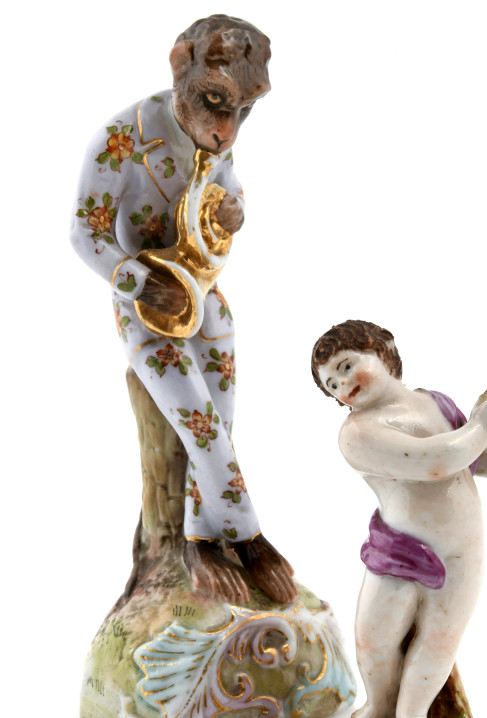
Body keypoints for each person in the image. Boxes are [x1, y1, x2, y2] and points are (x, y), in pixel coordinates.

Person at [71, 15, 295, 604]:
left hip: (204, 293)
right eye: (215, 102)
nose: (227, 130)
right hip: (147, 305)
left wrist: (233, 210)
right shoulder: (122, 139)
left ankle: (201, 538)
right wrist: (141, 284)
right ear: (180, 66)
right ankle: (248, 538)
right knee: (201, 426)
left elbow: (228, 183)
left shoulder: (214, 137)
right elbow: (85, 234)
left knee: (221, 420)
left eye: (245, 110)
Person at [311, 320, 487, 718]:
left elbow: (472, 458)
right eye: (331, 384)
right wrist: (483, 426)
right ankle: (380, 708)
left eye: (347, 366)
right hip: (401, 549)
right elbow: (437, 461)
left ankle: (412, 712)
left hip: (461, 550)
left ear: (384, 348)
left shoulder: (434, 402)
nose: (343, 384)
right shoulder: (358, 434)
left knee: (441, 636)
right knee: (375, 636)